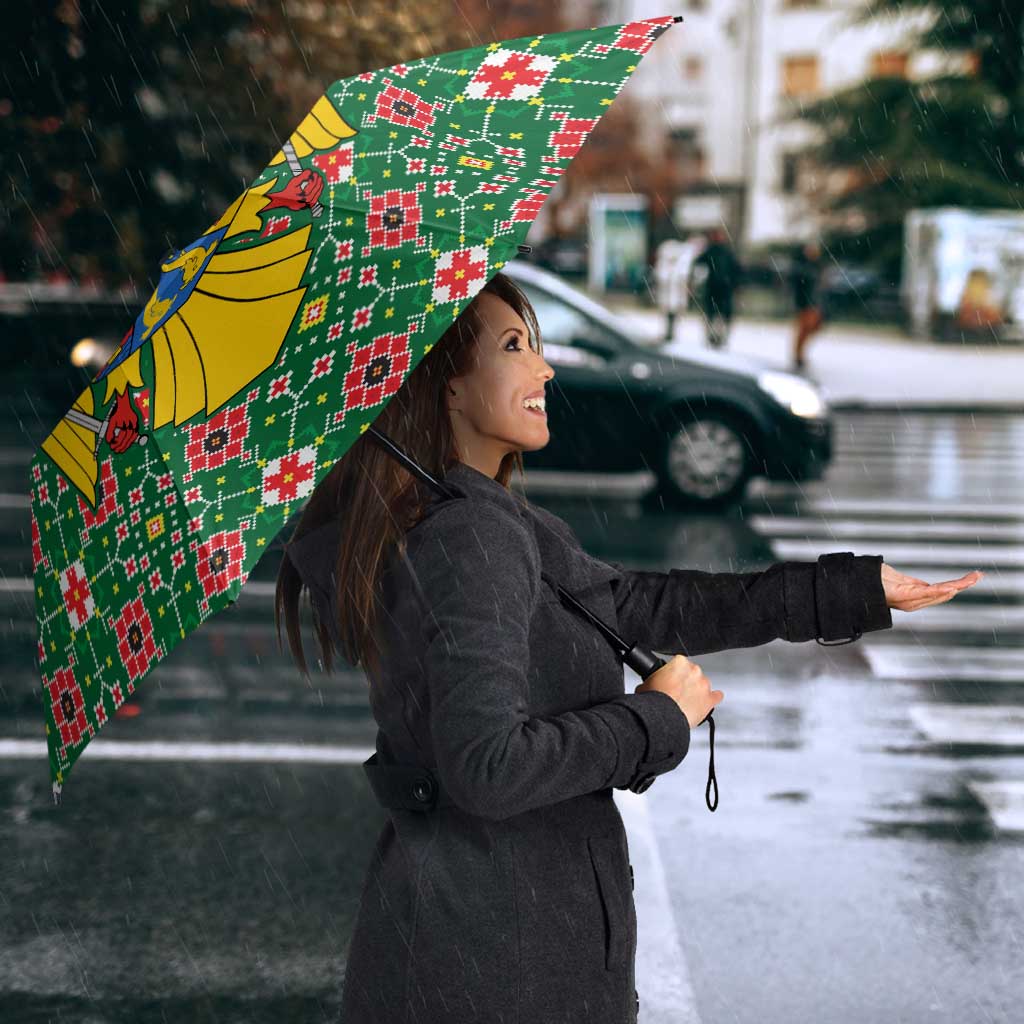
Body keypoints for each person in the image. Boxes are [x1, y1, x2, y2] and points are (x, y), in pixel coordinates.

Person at [275, 271, 973, 1024]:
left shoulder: (470, 518)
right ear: (447, 385)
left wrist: (849, 591)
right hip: (499, 963)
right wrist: (657, 719)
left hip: (474, 942)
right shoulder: (470, 536)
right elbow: (488, 767)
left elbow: (639, 605)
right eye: (514, 347)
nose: (545, 369)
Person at [692, 226, 742, 349]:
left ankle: (719, 337)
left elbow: (736, 270)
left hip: (722, 289)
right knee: (714, 314)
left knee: (719, 315)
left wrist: (735, 284)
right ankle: (713, 337)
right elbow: (698, 263)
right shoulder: (714, 251)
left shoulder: (724, 252)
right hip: (716, 288)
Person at [790, 239, 826, 371]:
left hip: (814, 303)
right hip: (805, 303)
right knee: (804, 329)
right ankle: (798, 355)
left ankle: (799, 354)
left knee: (812, 327)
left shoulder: (816, 266)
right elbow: (799, 286)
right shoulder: (802, 267)